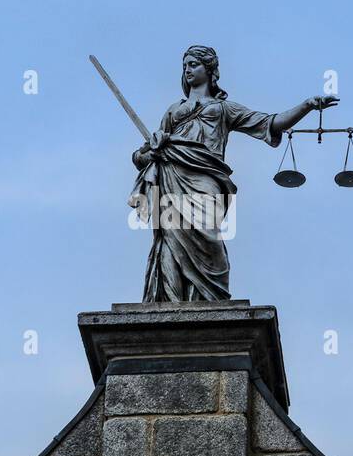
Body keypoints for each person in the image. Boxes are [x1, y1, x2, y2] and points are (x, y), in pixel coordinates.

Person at [130, 45, 338, 302]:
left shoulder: (225, 109)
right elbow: (141, 156)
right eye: (185, 66)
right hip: (173, 177)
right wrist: (152, 149)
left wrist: (307, 106)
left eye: (193, 64)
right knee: (171, 246)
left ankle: (210, 300)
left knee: (209, 240)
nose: (187, 70)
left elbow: (270, 122)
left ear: (210, 69)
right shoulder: (173, 111)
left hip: (207, 179)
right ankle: (173, 303)